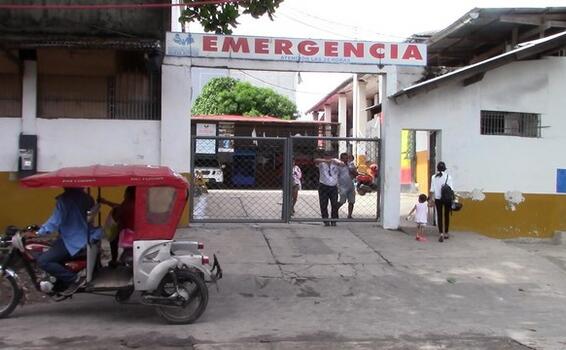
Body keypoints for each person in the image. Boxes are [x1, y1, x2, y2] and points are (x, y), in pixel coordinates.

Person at [26, 188, 101, 296]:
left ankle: (74, 279)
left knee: (43, 261)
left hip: (73, 239)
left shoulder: (64, 200)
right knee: (50, 249)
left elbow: (55, 221)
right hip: (87, 235)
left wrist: (38, 233)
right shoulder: (87, 198)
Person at [99, 186, 135, 267]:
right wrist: (106, 202)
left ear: (128, 194)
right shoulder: (134, 202)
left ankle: (114, 260)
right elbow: (119, 206)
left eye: (125, 193)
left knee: (113, 238)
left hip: (129, 231)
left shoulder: (128, 203)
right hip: (132, 229)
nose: (124, 194)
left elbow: (118, 212)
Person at [314, 151, 341, 226]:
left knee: (334, 204)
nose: (328, 157)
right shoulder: (322, 164)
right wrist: (325, 161)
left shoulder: (335, 164)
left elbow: (342, 164)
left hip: (333, 186)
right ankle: (325, 219)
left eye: (329, 156)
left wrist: (334, 160)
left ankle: (334, 219)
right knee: (323, 204)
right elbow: (316, 160)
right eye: (326, 156)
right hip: (324, 186)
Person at [430, 161, 453, 242]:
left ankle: (441, 233)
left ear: (437, 168)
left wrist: (431, 199)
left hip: (438, 199)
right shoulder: (448, 177)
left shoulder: (433, 177)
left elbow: (432, 189)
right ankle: (446, 232)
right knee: (446, 215)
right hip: (446, 199)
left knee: (439, 215)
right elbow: (451, 189)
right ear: (444, 169)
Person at [337, 153, 358, 219]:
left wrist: (352, 170)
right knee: (342, 201)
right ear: (341, 159)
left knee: (351, 201)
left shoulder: (350, 165)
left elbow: (355, 174)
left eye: (347, 158)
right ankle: (335, 211)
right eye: (344, 158)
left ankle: (349, 215)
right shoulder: (339, 166)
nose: (346, 160)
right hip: (342, 185)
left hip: (350, 185)